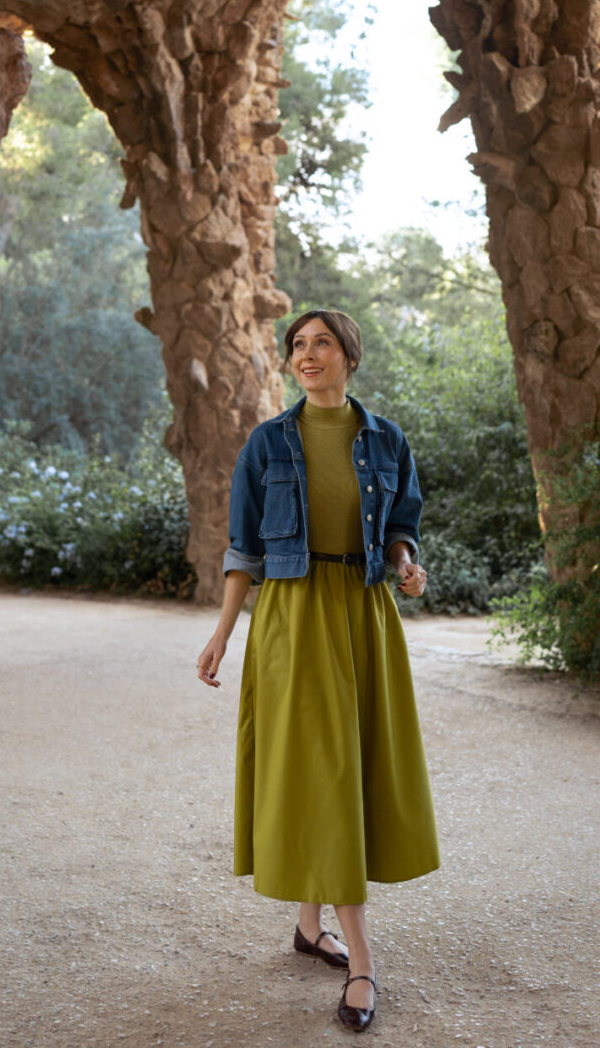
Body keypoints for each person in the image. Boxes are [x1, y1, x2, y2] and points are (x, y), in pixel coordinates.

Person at [197, 308, 440, 1034]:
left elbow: (401, 526)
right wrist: (220, 635)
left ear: (348, 356)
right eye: (298, 345)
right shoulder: (268, 443)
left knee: (345, 768)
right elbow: (244, 550)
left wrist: (405, 564)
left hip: (363, 614)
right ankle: (361, 958)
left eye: (321, 343)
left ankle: (311, 928)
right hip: (295, 617)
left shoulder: (386, 439)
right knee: (322, 770)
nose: (307, 355)